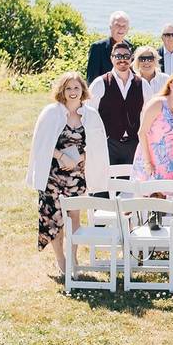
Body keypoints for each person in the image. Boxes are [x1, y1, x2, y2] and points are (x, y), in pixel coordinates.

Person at [26, 72, 108, 274]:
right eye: (68, 88)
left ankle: (72, 257)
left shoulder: (90, 114)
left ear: (83, 90)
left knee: (73, 217)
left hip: (77, 175)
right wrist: (62, 157)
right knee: (54, 218)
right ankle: (60, 258)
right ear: (62, 91)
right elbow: (41, 143)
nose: (73, 92)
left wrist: (79, 159)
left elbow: (97, 145)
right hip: (52, 174)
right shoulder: (51, 112)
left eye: (76, 88)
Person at [88, 41, 152, 165]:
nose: (122, 60)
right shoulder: (99, 83)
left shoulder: (143, 84)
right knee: (107, 182)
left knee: (131, 183)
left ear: (131, 59)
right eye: (118, 56)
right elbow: (90, 115)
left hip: (134, 144)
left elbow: (148, 116)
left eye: (126, 56)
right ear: (112, 58)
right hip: (108, 143)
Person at [131, 70, 173, 183]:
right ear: (170, 84)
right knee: (145, 196)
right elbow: (142, 132)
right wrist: (148, 162)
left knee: (165, 197)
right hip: (150, 159)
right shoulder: (158, 103)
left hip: (169, 163)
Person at [86, 10, 130, 83]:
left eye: (124, 26)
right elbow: (91, 80)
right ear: (110, 27)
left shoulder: (130, 46)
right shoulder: (97, 48)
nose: (121, 28)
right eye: (117, 25)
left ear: (128, 29)